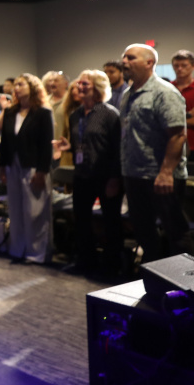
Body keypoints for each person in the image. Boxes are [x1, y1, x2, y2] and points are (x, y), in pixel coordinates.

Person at [120, 44, 189, 265]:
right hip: (134, 174)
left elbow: (177, 135)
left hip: (160, 176)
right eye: (124, 58)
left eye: (131, 58)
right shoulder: (128, 94)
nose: (124, 62)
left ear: (149, 62)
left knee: (175, 232)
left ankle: (185, 279)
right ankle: (153, 276)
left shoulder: (164, 92)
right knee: (144, 232)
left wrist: (166, 172)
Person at [54, 70, 124, 277]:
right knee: (81, 220)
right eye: (79, 84)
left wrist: (115, 179)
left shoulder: (110, 114)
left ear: (98, 88)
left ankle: (111, 266)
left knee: (111, 222)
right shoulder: (75, 115)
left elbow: (118, 148)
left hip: (106, 176)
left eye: (85, 84)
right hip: (82, 175)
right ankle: (86, 261)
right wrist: (68, 147)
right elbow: (82, 143)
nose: (80, 87)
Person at [0, 73, 53, 262]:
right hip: (12, 165)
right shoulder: (10, 112)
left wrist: (42, 172)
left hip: (34, 166)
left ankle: (36, 253)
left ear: (33, 88)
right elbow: (5, 142)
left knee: (34, 211)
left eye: (21, 84)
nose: (16, 88)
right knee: (15, 209)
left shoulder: (43, 113)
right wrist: (2, 167)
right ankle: (17, 249)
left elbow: (46, 146)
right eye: (16, 85)